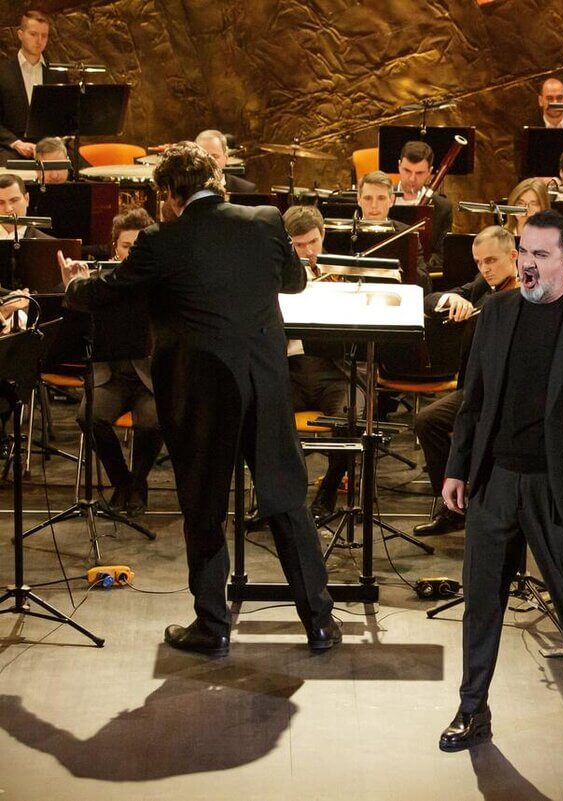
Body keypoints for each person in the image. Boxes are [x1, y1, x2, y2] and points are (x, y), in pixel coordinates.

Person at [58, 141, 338, 656]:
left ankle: (213, 626)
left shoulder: (160, 239)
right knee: (284, 497)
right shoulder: (265, 221)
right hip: (265, 382)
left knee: (204, 505)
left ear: (168, 193)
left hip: (200, 390)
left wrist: (73, 285)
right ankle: (319, 622)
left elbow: (106, 292)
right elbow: (295, 282)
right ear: (218, 181)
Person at [437, 209, 563, 762]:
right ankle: (472, 708)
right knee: (481, 602)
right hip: (495, 480)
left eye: (540, 255)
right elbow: (472, 399)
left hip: (560, 489)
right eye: (523, 252)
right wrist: (457, 467)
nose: (527, 264)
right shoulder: (495, 313)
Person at [413, 225, 519, 537]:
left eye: (491, 261)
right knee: (426, 421)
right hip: (476, 392)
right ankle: (453, 507)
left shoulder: (528, 294)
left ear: (514, 256)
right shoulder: (483, 286)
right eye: (479, 263)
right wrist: (449, 299)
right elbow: (430, 300)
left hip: (509, 396)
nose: (485, 269)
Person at [75, 207, 162, 516]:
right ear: (115, 247)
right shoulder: (99, 283)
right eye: (126, 246)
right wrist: (73, 286)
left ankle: (138, 483)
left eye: (138, 247)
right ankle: (122, 482)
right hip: (110, 375)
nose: (131, 254)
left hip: (150, 377)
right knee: (89, 416)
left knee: (152, 420)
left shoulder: (161, 282)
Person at [281, 205, 351, 519]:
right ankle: (277, 498)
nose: (308, 251)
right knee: (263, 414)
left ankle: (328, 491)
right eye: (299, 245)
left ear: (323, 235)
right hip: (289, 369)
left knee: (350, 417)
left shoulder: (344, 273)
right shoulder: (275, 277)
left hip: (333, 371)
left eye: (313, 242)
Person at [354, 169, 431, 290]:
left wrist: (406, 263)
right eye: (368, 198)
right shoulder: (343, 234)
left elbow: (425, 286)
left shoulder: (407, 234)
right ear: (359, 199)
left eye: (381, 198)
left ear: (391, 200)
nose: (374, 205)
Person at [0, 10, 61, 161]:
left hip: (49, 148)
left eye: (44, 36)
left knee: (83, 169)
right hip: (12, 148)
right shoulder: (2, 72)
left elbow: (64, 119)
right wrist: (16, 143)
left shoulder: (57, 74)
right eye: (33, 34)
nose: (39, 40)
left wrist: (55, 143)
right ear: (20, 35)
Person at [394, 140, 453, 278]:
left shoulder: (442, 207)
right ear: (399, 166)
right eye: (407, 170)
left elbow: (441, 255)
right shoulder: (382, 198)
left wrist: (416, 264)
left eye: (419, 173)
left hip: (421, 276)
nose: (412, 178)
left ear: (430, 172)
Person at [0, 173, 49, 239]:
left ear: (27, 199)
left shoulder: (50, 243)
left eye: (14, 200)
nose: (8, 209)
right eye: (0, 203)